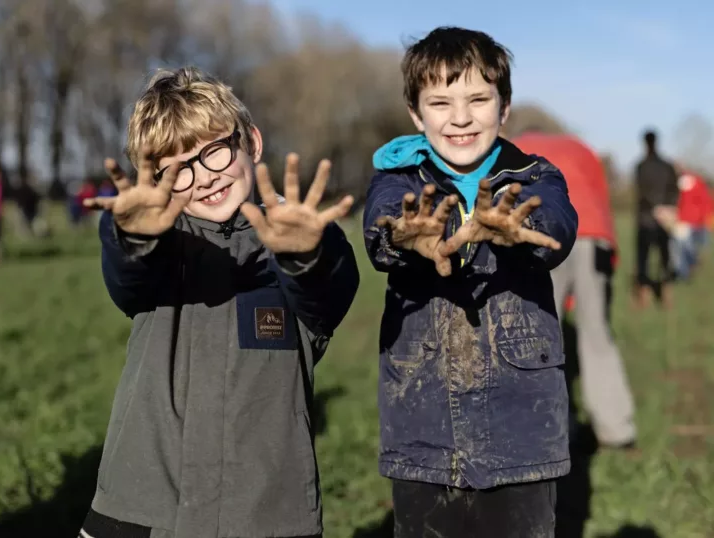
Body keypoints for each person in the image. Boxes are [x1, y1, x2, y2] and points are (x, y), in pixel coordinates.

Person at [79, 67, 359, 538]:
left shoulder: (292, 243)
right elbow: (129, 277)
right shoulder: (161, 246)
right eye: (177, 169)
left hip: (268, 517)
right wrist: (129, 237)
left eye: (213, 152)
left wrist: (308, 253)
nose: (202, 177)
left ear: (250, 141)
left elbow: (326, 292)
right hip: (138, 510)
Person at [363, 27, 578, 538]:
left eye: (478, 99)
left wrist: (520, 227)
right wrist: (403, 236)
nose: (460, 118)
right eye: (440, 102)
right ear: (416, 114)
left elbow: (557, 222)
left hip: (523, 436)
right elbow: (381, 224)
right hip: (424, 434)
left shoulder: (534, 177)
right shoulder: (397, 180)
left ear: (504, 108)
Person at [513, 130, 636, 450]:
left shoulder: (517, 146)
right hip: (594, 236)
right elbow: (602, 198)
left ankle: (550, 427)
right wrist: (613, 252)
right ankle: (616, 428)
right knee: (596, 332)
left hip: (544, 234)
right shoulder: (582, 148)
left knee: (539, 335)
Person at [633, 129, 678, 308]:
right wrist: (667, 208)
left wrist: (656, 208)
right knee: (664, 257)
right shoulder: (668, 166)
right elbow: (674, 190)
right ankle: (665, 294)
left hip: (646, 219)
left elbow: (641, 193)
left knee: (644, 258)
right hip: (664, 219)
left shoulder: (641, 166)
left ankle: (645, 295)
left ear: (645, 142)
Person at [671, 167, 713, 280]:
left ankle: (684, 272)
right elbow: (706, 201)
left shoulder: (679, 183)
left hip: (684, 220)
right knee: (686, 247)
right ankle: (691, 264)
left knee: (681, 248)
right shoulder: (698, 182)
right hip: (695, 221)